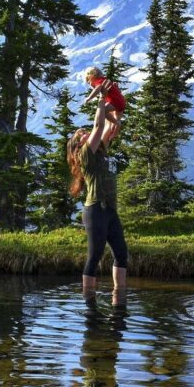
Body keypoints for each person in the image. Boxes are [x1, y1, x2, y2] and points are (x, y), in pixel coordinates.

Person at [68, 92, 127, 297]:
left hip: (110, 210)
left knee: (121, 253)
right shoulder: (85, 154)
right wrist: (101, 101)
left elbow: (112, 127)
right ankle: (89, 301)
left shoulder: (101, 150)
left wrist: (116, 105)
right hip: (95, 210)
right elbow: (99, 127)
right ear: (78, 145)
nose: (84, 132)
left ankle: (119, 295)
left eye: (84, 131)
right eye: (81, 134)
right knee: (95, 256)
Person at [82, 66, 126, 147]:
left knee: (103, 111)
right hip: (120, 101)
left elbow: (97, 89)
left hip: (116, 102)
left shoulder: (99, 81)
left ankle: (116, 124)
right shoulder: (104, 79)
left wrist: (89, 98)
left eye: (88, 81)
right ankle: (114, 133)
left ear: (92, 76)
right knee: (114, 119)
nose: (90, 84)